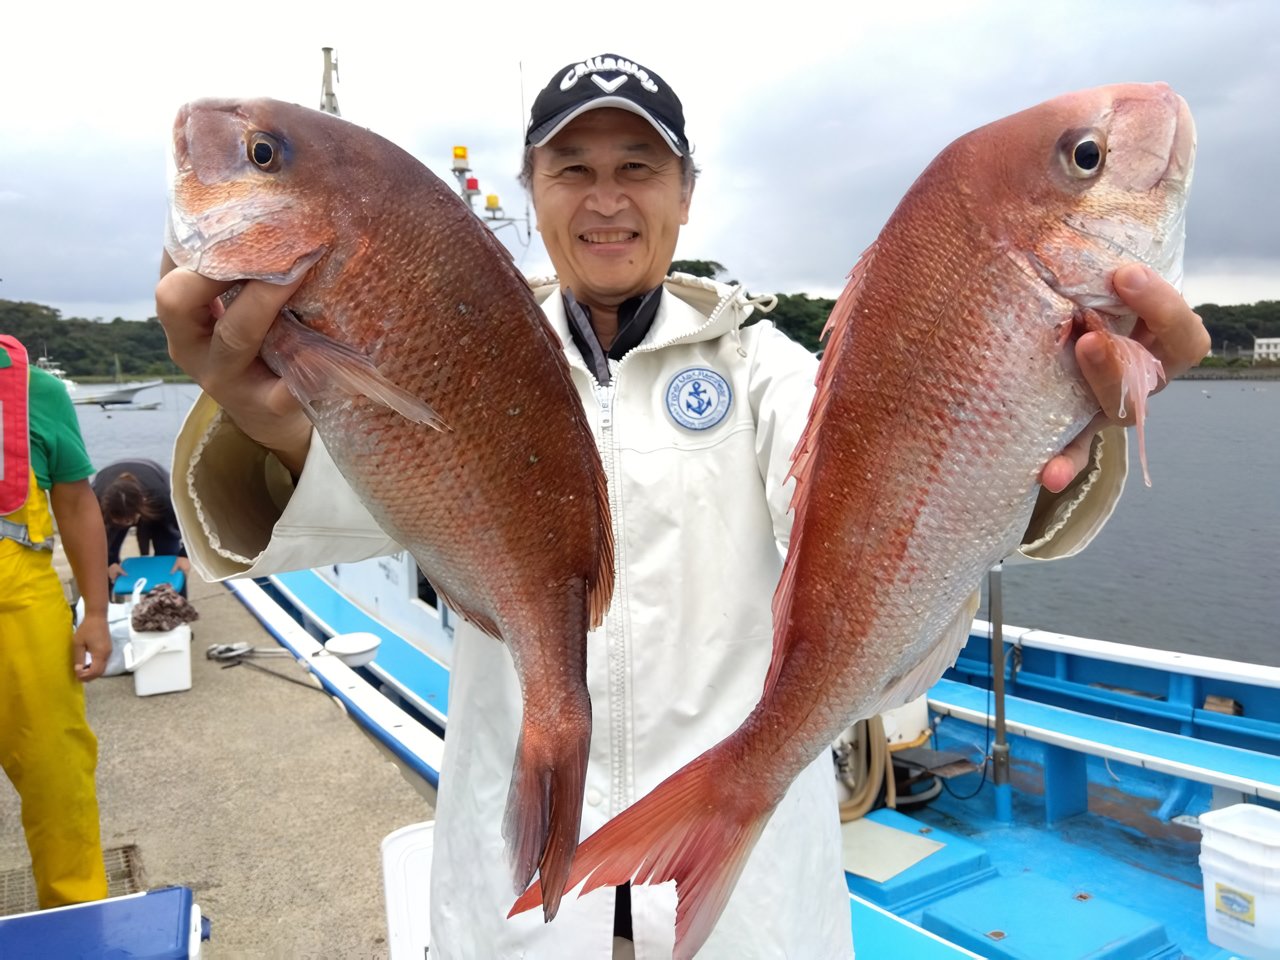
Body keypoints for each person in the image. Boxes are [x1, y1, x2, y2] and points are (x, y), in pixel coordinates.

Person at [154, 55, 1211, 959]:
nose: (605, 198)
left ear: (686, 193)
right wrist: (275, 421)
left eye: (637, 168)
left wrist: (1047, 421)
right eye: (572, 169)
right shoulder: (460, 351)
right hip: (524, 886)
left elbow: (878, 507)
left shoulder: (766, 369)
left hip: (744, 900)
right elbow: (379, 502)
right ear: (529, 189)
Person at [0, 334, 110, 908]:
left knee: (56, 775)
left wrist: (96, 611)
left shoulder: (34, 389)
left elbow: (75, 502)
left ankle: (76, 918)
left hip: (21, 609)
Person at [91, 458, 190, 593]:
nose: (127, 525)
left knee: (169, 556)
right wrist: (108, 563)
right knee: (105, 560)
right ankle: (110, 605)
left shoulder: (163, 497)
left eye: (129, 521)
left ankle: (176, 604)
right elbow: (91, 540)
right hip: (109, 489)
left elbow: (189, 526)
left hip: (155, 488)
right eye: (121, 522)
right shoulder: (94, 500)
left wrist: (184, 556)